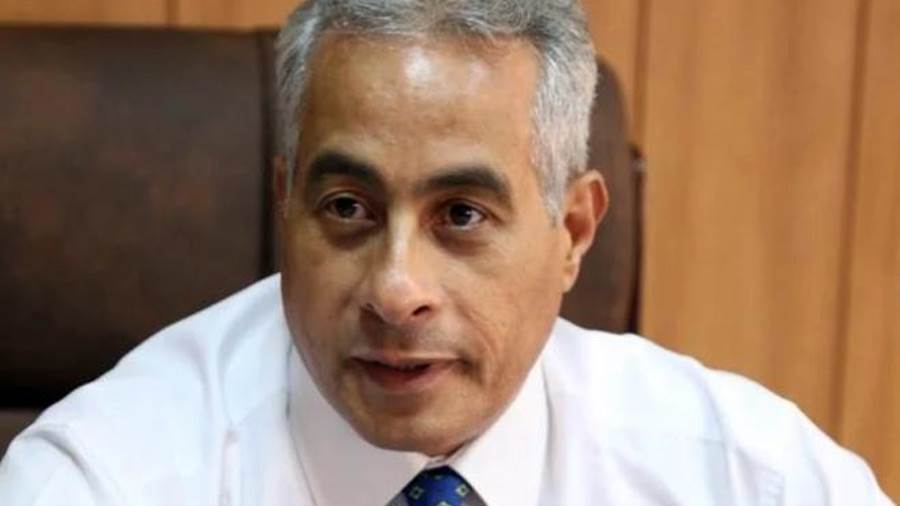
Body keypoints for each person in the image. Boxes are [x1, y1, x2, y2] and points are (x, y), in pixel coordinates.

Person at [0, 0, 892, 504]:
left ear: (574, 231)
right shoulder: (103, 480)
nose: (396, 291)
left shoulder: (748, 477)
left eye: (461, 215)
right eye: (346, 208)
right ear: (284, 204)